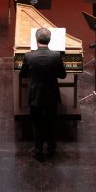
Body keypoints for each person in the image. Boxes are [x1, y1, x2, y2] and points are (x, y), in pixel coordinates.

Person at [19, 28, 66, 161]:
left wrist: (33, 72)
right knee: (51, 122)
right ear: (49, 40)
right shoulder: (56, 56)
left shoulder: (28, 56)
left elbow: (23, 74)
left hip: (35, 96)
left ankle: (38, 150)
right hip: (52, 96)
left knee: (37, 123)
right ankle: (51, 148)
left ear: (36, 39)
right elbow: (63, 75)